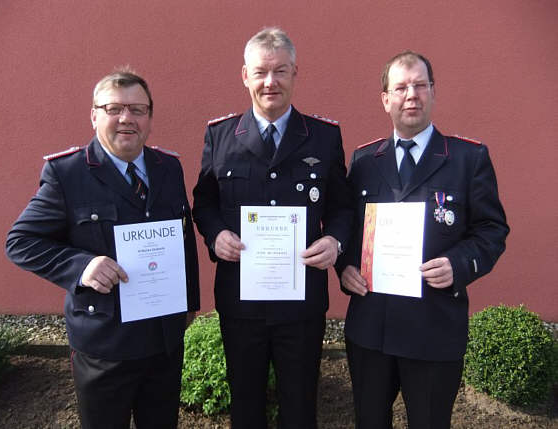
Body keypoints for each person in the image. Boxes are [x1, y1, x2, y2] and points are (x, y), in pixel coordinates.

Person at [6, 68, 200, 429]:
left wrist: (189, 302)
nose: (127, 118)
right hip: (105, 345)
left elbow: (183, 237)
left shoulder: (168, 167)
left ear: (149, 118)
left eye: (137, 109)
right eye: (114, 108)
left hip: (163, 340)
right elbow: (21, 241)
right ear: (94, 116)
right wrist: (82, 266)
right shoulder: (68, 173)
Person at [337, 51, 509, 429]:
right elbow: (346, 226)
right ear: (386, 99)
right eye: (400, 88)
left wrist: (458, 264)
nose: (411, 95)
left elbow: (492, 230)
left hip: (433, 328)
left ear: (433, 92)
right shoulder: (364, 161)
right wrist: (345, 265)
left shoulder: (467, 158)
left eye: (420, 85)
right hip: (371, 329)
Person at [192, 27, 353, 428]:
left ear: (295, 73)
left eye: (280, 71)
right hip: (241, 301)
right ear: (245, 76)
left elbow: (342, 205)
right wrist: (216, 234)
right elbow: (204, 201)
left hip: (302, 301)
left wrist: (335, 241)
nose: (270, 82)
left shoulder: (323, 137)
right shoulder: (221, 136)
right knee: (245, 405)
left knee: (300, 406)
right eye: (261, 72)